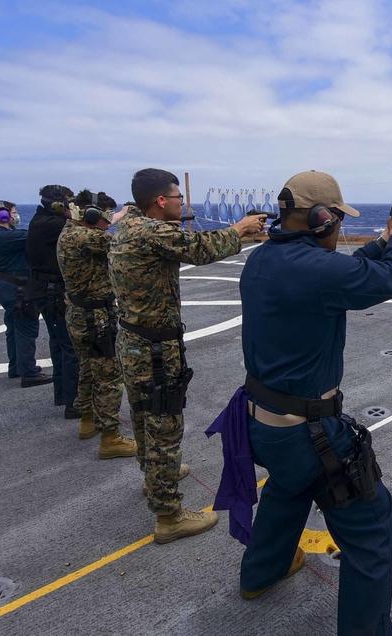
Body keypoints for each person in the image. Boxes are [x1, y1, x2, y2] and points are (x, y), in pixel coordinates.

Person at [233, 170, 392, 636]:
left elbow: (340, 271)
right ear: (321, 218)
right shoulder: (317, 270)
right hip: (308, 431)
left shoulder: (263, 259)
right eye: (336, 218)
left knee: (287, 489)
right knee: (373, 528)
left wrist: (377, 242)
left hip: (263, 423)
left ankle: (260, 574)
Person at [108, 168, 265, 544]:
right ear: (161, 201)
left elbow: (185, 243)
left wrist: (239, 234)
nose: (183, 203)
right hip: (155, 349)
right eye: (179, 198)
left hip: (133, 343)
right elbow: (199, 249)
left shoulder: (129, 225)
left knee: (145, 418)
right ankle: (169, 516)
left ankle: (154, 477)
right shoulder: (150, 231)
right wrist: (241, 228)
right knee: (164, 425)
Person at [56, 189, 137, 459]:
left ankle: (88, 420)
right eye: (104, 217)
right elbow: (128, 243)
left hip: (80, 314)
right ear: (89, 216)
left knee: (88, 370)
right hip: (95, 318)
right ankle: (110, 439)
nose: (107, 221)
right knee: (110, 377)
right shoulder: (86, 237)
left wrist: (119, 216)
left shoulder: (71, 232)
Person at [0, 200, 53, 388]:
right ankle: (29, 373)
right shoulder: (7, 236)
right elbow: (35, 236)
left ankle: (16, 366)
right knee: (26, 328)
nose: (15, 216)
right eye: (13, 212)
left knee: (14, 327)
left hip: (7, 285)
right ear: (3, 216)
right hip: (17, 288)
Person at [26, 185, 80, 419]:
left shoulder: (42, 221)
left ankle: (62, 394)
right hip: (53, 291)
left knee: (59, 344)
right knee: (71, 346)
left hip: (46, 289)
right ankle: (74, 402)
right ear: (59, 205)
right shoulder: (52, 225)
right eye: (70, 203)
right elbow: (83, 232)